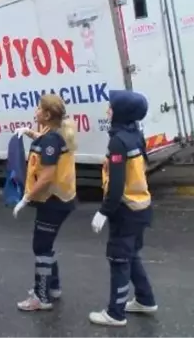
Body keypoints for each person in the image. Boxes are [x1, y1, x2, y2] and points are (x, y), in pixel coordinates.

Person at [88, 90, 157, 327]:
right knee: (132, 255)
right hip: (141, 207)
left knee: (119, 259)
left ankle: (115, 313)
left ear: (121, 112)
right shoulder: (135, 135)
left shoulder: (118, 141)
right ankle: (145, 300)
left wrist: (104, 211)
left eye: (111, 106)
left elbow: (117, 185)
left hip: (125, 210)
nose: (108, 110)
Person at [12, 94, 77, 311]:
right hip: (60, 200)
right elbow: (45, 141)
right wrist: (29, 133)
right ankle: (53, 287)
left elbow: (47, 175)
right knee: (46, 244)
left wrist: (26, 198)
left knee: (40, 246)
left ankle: (41, 297)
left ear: (47, 115)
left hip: (53, 201)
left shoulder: (52, 140)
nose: (35, 112)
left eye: (39, 109)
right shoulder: (54, 133)